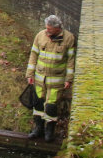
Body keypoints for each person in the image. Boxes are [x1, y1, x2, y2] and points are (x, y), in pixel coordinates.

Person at [26, 15, 76, 143]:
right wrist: (30, 74)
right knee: (38, 104)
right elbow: (33, 55)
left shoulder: (69, 39)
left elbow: (71, 61)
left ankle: (50, 131)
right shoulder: (40, 36)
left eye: (50, 29)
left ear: (58, 28)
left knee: (51, 106)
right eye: (46, 28)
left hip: (57, 79)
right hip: (39, 78)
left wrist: (68, 79)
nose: (47, 31)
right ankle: (38, 128)